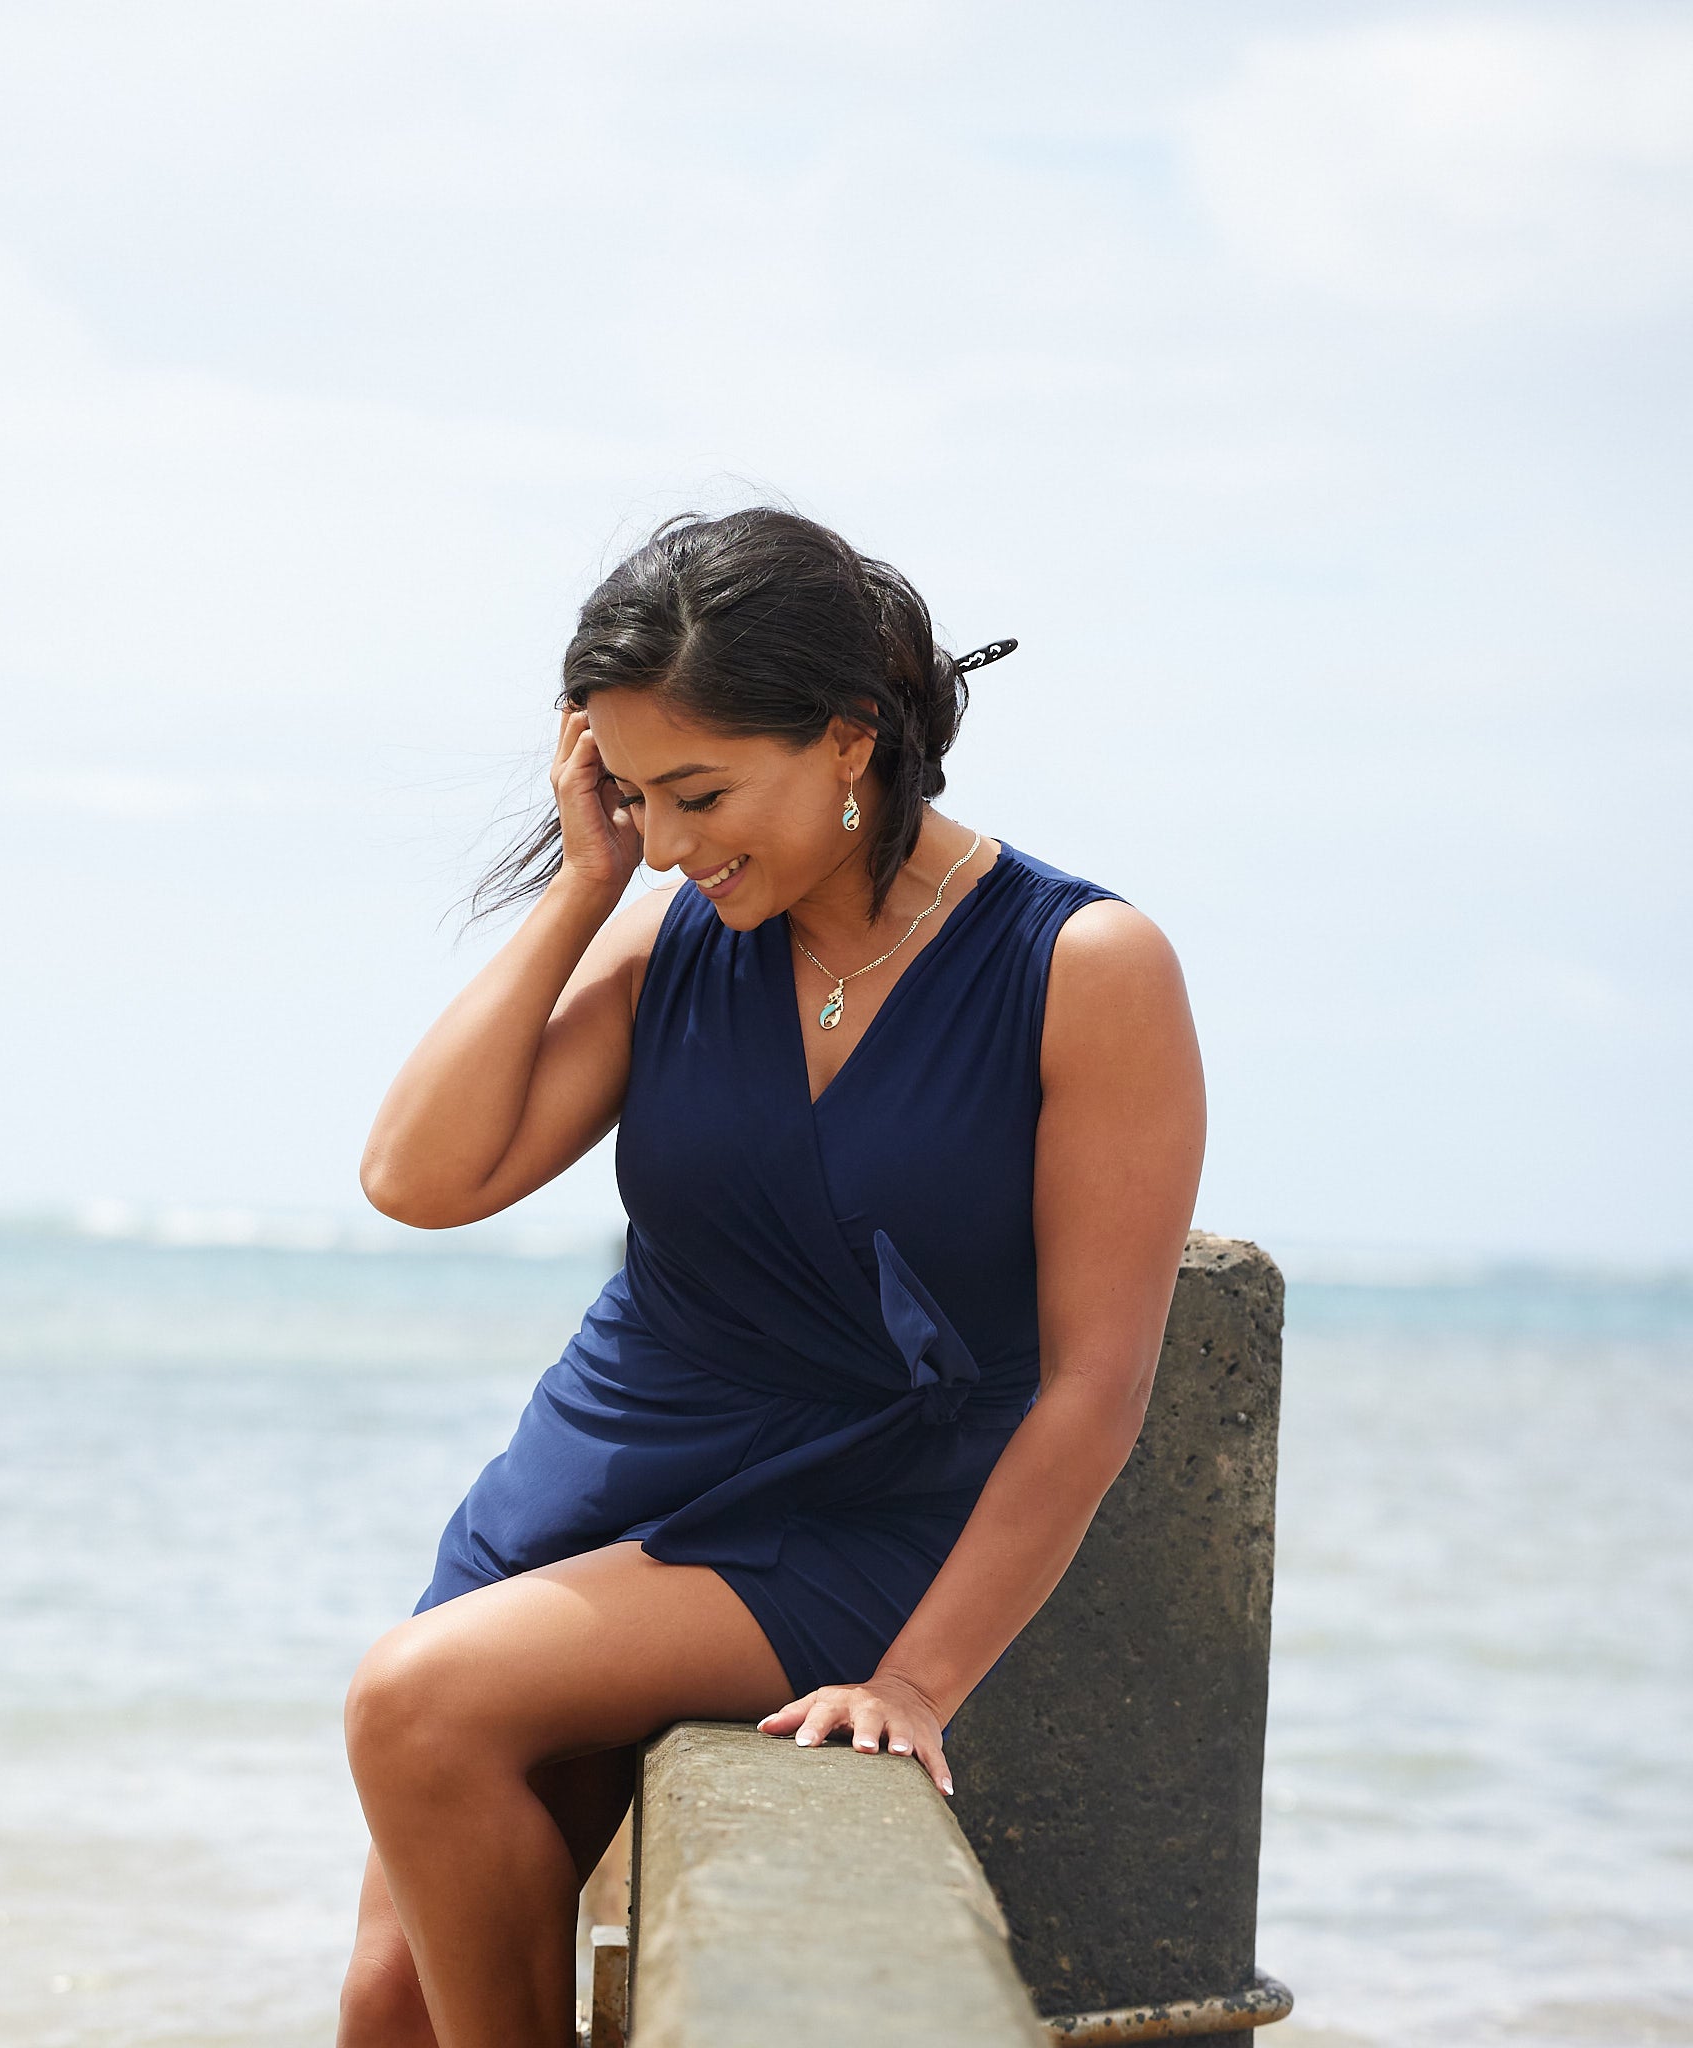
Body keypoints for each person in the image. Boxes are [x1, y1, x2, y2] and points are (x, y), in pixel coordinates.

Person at [337, 506, 1206, 2048]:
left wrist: (919, 1682)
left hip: (861, 1510)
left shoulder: (1084, 966)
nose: (667, 840)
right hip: (600, 1462)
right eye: (627, 794)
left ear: (848, 739)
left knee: (415, 1701)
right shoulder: (672, 934)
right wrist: (580, 889)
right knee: (390, 1997)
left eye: (698, 793)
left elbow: (1096, 1386)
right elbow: (420, 1179)